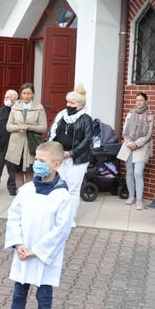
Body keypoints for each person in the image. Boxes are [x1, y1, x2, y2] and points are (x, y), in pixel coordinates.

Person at [0, 141, 72, 309]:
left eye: (42, 161)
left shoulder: (63, 196)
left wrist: (35, 250)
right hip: (23, 250)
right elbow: (14, 216)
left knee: (44, 294)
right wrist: (18, 243)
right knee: (19, 290)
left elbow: (61, 230)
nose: (37, 163)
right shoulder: (26, 189)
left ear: (55, 165)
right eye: (36, 159)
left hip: (44, 254)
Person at [47, 84, 93, 226]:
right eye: (68, 102)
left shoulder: (86, 118)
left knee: (72, 188)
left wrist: (71, 153)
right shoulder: (61, 115)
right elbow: (51, 132)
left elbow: (87, 139)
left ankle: (70, 218)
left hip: (77, 159)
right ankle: (58, 216)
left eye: (72, 103)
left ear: (80, 105)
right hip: (59, 157)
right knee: (58, 187)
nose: (69, 105)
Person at [117, 92, 155, 210]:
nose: (139, 102)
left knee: (138, 173)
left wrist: (136, 143)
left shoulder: (149, 116)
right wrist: (129, 143)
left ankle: (139, 200)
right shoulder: (130, 114)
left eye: (141, 100)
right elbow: (125, 132)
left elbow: (148, 134)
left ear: (146, 101)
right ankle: (131, 196)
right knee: (129, 172)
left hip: (141, 147)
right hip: (128, 147)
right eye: (137, 100)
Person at [5, 83, 48, 186]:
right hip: (16, 145)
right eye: (24, 93)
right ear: (20, 94)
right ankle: (20, 197)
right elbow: (8, 126)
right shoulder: (15, 107)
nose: (26, 96)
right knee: (18, 174)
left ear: (33, 94)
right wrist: (17, 127)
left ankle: (29, 198)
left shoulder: (39, 107)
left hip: (31, 145)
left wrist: (30, 127)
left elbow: (43, 127)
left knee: (29, 173)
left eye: (29, 93)